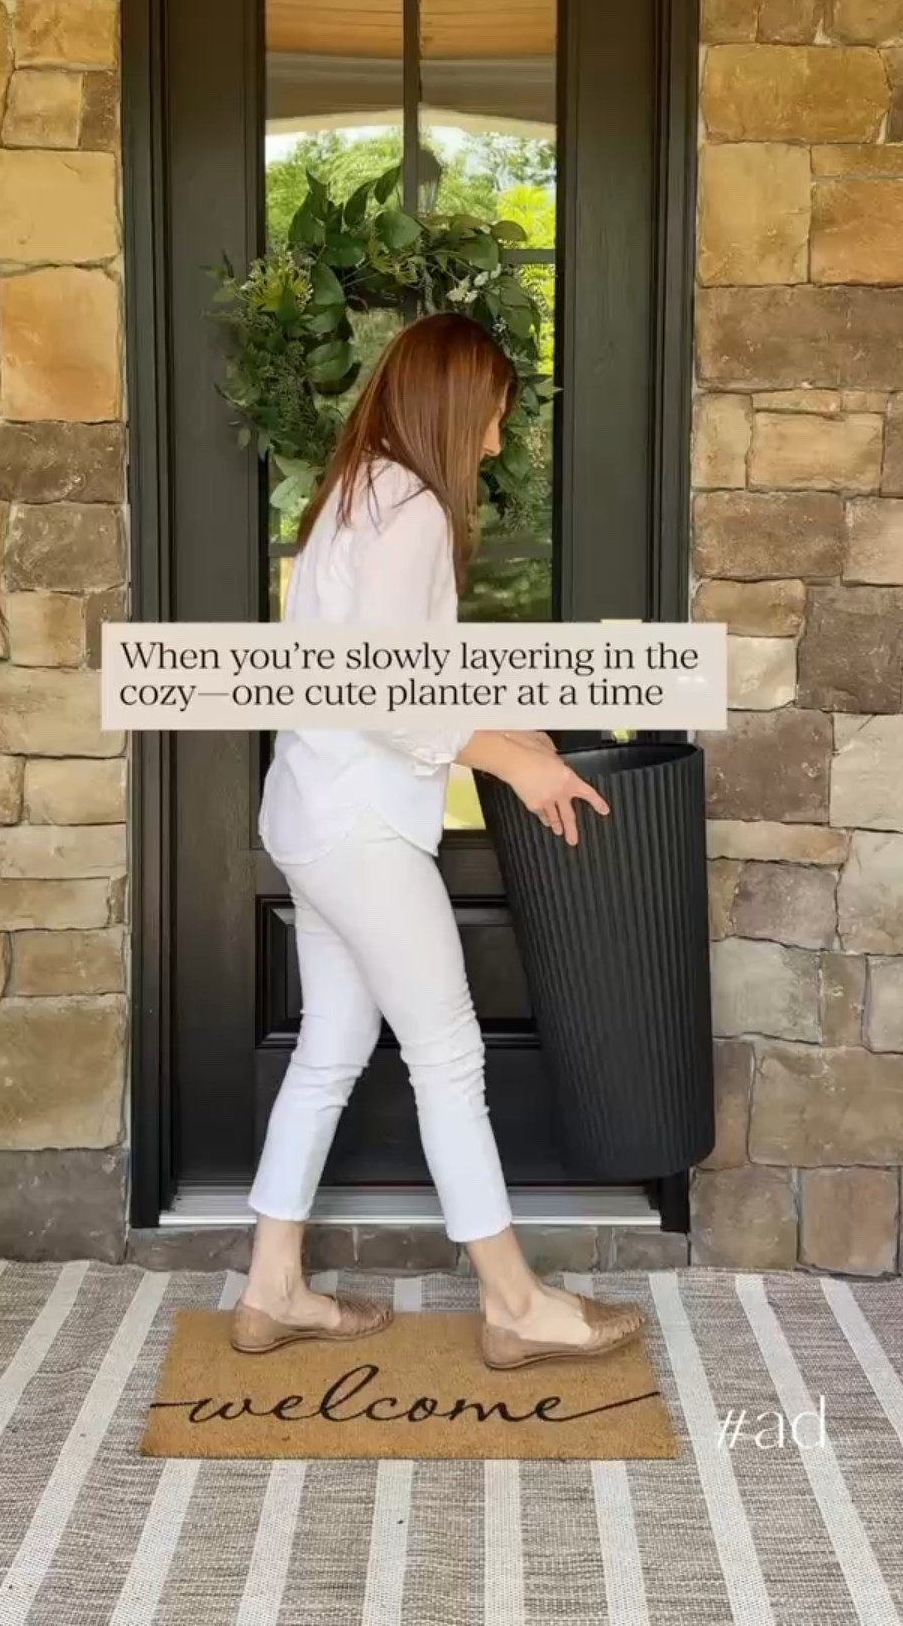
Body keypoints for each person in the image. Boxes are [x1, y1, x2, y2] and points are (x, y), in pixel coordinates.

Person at [230, 311, 645, 1369]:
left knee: (331, 1050)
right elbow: (386, 695)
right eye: (493, 417)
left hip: (311, 817)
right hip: (361, 829)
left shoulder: (353, 495)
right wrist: (512, 763)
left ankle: (272, 1288)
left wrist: (510, 732)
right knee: (450, 1057)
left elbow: (392, 677)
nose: (496, 442)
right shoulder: (408, 508)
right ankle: (514, 1305)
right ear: (452, 407)